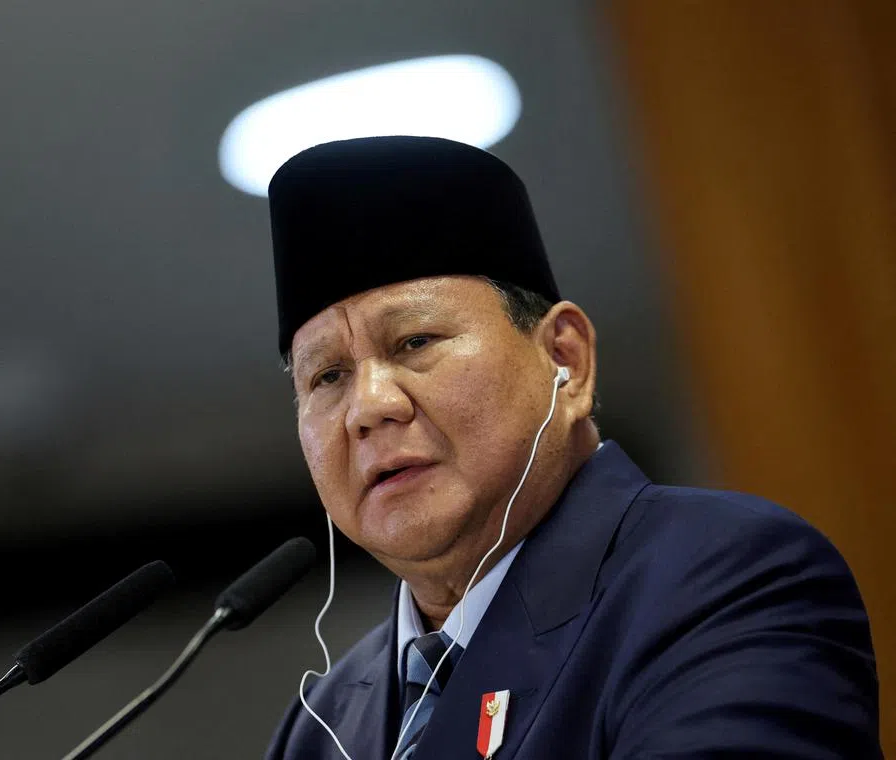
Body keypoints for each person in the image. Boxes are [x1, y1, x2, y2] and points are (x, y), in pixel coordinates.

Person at [261, 136, 881, 759]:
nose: (368, 407)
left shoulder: (723, 577)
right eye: (328, 377)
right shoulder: (321, 724)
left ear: (566, 358)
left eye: (415, 342)